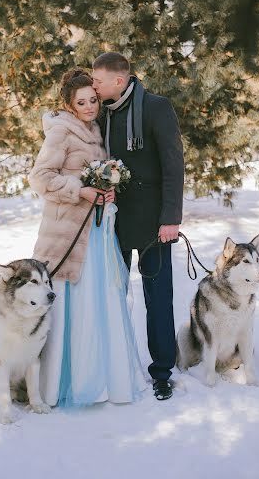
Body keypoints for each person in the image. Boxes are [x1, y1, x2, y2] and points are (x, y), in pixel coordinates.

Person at [29, 68, 146, 408]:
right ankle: (60, 384)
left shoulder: (95, 130)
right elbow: (40, 178)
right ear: (69, 104)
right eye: (81, 102)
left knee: (100, 300)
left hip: (96, 232)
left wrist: (106, 192)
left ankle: (105, 380)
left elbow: (98, 179)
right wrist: (80, 191)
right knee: (70, 305)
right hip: (67, 233)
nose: (90, 106)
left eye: (93, 100)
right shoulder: (61, 132)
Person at [92, 52, 184, 401]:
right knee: (112, 298)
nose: (94, 87)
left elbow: (174, 166)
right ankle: (115, 368)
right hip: (111, 223)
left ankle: (162, 372)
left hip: (154, 226)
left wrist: (170, 218)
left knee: (158, 300)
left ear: (119, 80)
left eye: (98, 81)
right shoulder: (100, 114)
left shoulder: (157, 107)